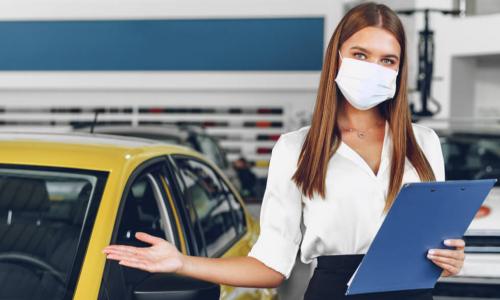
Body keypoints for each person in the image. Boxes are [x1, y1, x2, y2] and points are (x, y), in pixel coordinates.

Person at [103, 2, 466, 299]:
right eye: (360, 54)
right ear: (337, 57)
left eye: (388, 60)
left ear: (399, 71)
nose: (374, 68)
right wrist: (182, 262)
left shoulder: (424, 144)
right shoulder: (296, 150)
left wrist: (449, 259)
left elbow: (433, 250)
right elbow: (271, 266)